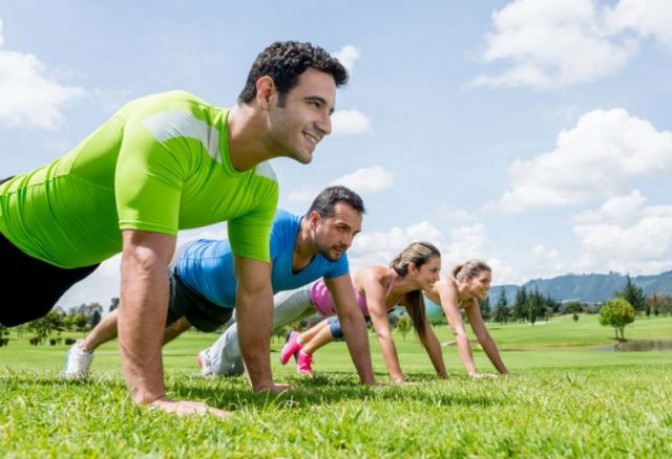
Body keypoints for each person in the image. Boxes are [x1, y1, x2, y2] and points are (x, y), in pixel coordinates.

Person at [0, 40, 348, 417]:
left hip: (69, 262)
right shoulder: (174, 126)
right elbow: (146, 258)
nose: (326, 125)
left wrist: (262, 384)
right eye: (314, 104)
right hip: (9, 225)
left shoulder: (261, 185)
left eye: (330, 110)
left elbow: (254, 289)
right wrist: (152, 397)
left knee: (18, 310)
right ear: (266, 92)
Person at [63, 186, 376, 386]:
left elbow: (349, 316)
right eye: (341, 229)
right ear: (313, 220)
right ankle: (83, 349)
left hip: (219, 300)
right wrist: (264, 386)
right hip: (190, 270)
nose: (347, 241)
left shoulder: (334, 257)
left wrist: (368, 381)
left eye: (354, 234)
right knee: (140, 315)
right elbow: (256, 303)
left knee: (170, 329)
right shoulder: (275, 229)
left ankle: (138, 363)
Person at [280, 241, 447, 383]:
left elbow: (427, 334)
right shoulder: (376, 278)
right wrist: (398, 379)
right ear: (412, 268)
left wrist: (443, 376)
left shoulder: (409, 296)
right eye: (433, 270)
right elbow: (382, 333)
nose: (438, 278)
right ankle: (298, 342)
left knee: (341, 326)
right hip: (308, 293)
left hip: (327, 310)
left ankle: (300, 342)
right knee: (260, 323)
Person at [425, 259, 509, 378]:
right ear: (467, 280)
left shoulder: (470, 301)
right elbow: (458, 331)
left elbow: (483, 336)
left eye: (489, 282)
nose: (488, 286)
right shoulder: (448, 286)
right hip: (399, 300)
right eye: (484, 281)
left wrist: (505, 373)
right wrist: (472, 373)